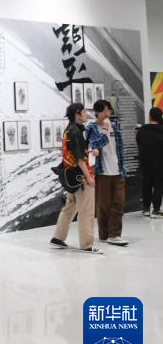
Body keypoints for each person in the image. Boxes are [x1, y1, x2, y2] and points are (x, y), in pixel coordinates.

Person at [51, 103, 101, 254]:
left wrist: (90, 152)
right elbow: (79, 159)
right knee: (86, 211)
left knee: (70, 207)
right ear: (77, 114)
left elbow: (75, 153)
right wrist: (89, 177)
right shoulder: (75, 132)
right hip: (81, 177)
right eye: (84, 112)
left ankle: (58, 238)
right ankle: (87, 244)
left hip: (72, 177)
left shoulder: (70, 130)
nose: (87, 114)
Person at [86, 99, 128, 246]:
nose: (108, 113)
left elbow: (119, 148)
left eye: (109, 110)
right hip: (102, 172)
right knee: (103, 205)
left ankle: (114, 234)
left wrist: (123, 168)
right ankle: (104, 234)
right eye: (105, 110)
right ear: (97, 112)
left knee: (119, 203)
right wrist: (104, 130)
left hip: (118, 171)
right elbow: (95, 145)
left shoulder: (114, 127)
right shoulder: (91, 128)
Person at [136, 107, 163, 218]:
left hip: (145, 163)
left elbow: (139, 143)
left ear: (150, 116)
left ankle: (146, 209)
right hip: (160, 163)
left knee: (146, 185)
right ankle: (156, 209)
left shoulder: (142, 130)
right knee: (158, 187)